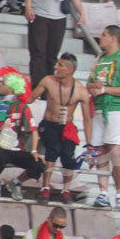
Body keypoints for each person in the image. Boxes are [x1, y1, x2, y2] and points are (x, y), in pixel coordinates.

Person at [27, 53, 92, 202]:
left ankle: (66, 190)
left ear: (69, 70)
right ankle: (45, 188)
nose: (55, 67)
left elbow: (87, 119)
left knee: (68, 155)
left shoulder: (80, 90)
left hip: (67, 126)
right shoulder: (48, 81)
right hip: (48, 124)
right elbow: (29, 99)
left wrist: (89, 144)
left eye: (60, 65)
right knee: (54, 148)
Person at [86, 25, 120, 210]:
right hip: (99, 109)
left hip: (117, 109)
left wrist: (105, 89)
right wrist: (94, 87)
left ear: (113, 39)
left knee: (115, 152)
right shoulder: (99, 59)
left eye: (103, 35)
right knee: (100, 151)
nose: (100, 38)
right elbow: (89, 85)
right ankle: (103, 193)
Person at [0, 69, 44, 201]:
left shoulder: (22, 107)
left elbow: (33, 130)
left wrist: (34, 151)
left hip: (17, 149)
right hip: (0, 148)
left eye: (2, 83)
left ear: (10, 88)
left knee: (39, 164)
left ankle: (16, 183)